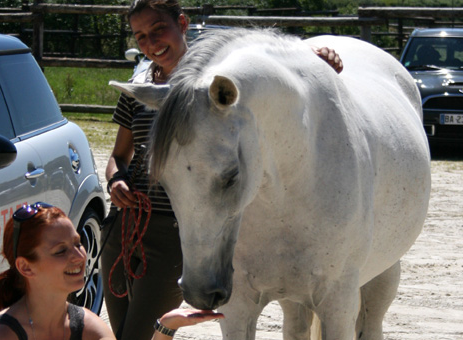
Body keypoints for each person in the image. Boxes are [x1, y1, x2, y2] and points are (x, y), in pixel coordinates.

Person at [103, 2, 344, 340]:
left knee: (140, 336)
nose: (150, 42)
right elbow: (119, 154)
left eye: (158, 29)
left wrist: (308, 55)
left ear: (183, 23)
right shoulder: (141, 83)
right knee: (122, 331)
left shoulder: (219, 76)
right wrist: (115, 178)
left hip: (177, 232)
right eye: (140, 35)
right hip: (125, 228)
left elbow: (263, 58)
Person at [0, 202, 223, 340]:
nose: (79, 256)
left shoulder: (88, 327)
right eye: (60, 251)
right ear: (25, 267)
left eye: (78, 243)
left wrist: (165, 328)